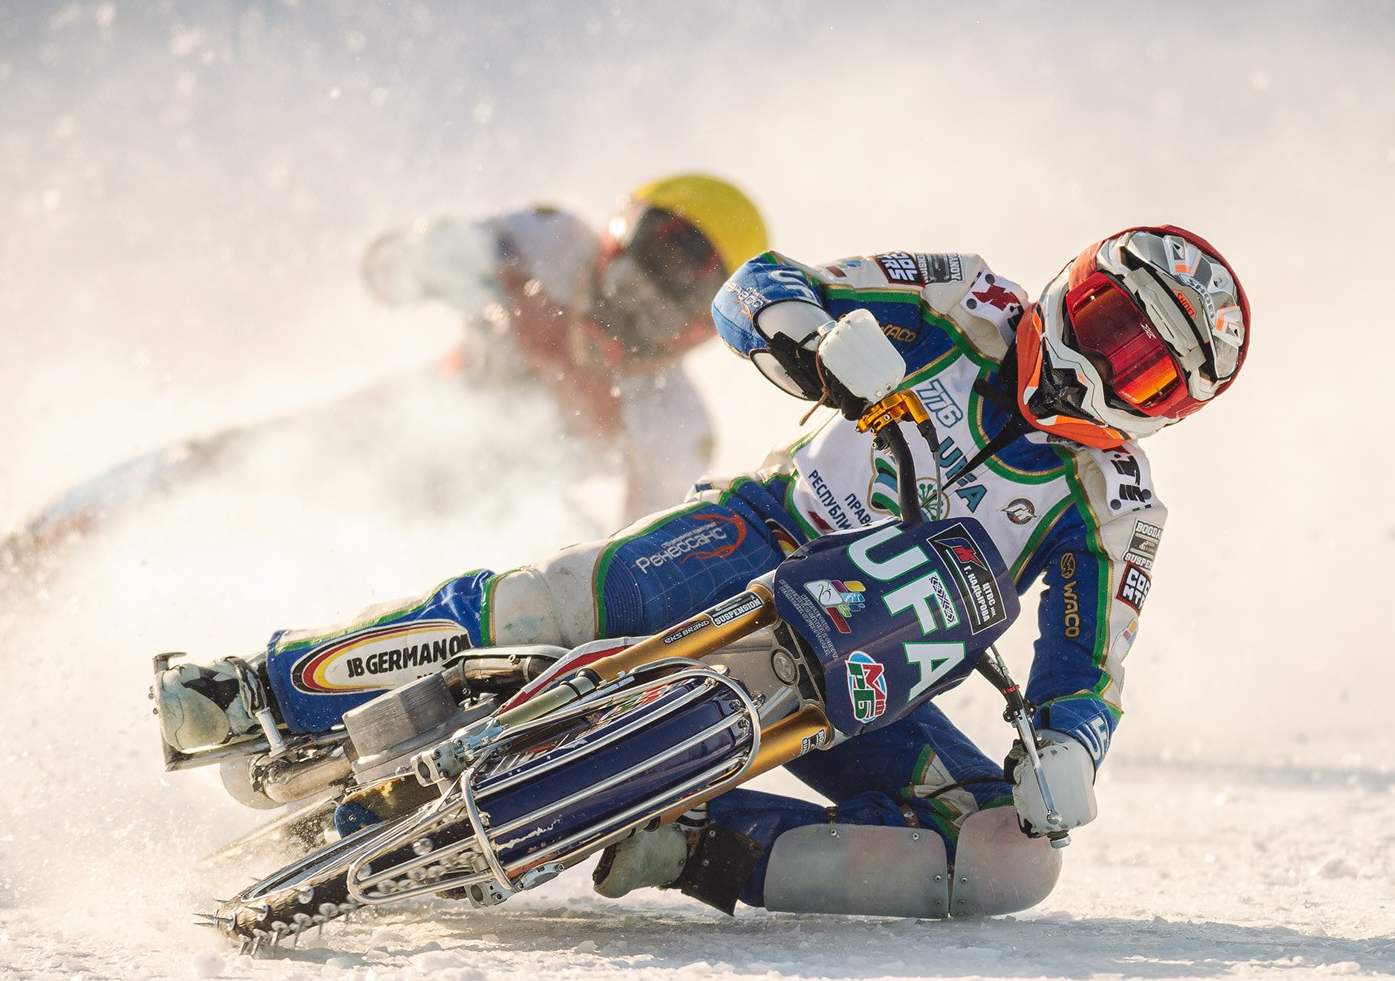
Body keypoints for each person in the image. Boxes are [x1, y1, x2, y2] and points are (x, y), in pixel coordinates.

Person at [154, 227, 1250, 917]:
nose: (1103, 366)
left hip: (873, 673)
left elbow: (1088, 662)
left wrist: (1070, 750)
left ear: (1171, 410)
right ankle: (260, 689)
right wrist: (812, 333)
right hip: (756, 537)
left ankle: (685, 842)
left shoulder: (1115, 504)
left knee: (1009, 861)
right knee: (545, 604)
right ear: (1074, 284)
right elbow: (756, 286)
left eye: (1146, 371)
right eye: (1112, 324)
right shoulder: (961, 300)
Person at [0, 174, 769, 599]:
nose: (618, 329)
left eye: (653, 318)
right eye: (622, 291)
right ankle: (33, 553)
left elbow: (633, 569)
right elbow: (385, 270)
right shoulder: (548, 241)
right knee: (208, 465)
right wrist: (461, 267)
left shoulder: (674, 424)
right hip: (400, 425)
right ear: (608, 249)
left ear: (693, 337)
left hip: (493, 522)